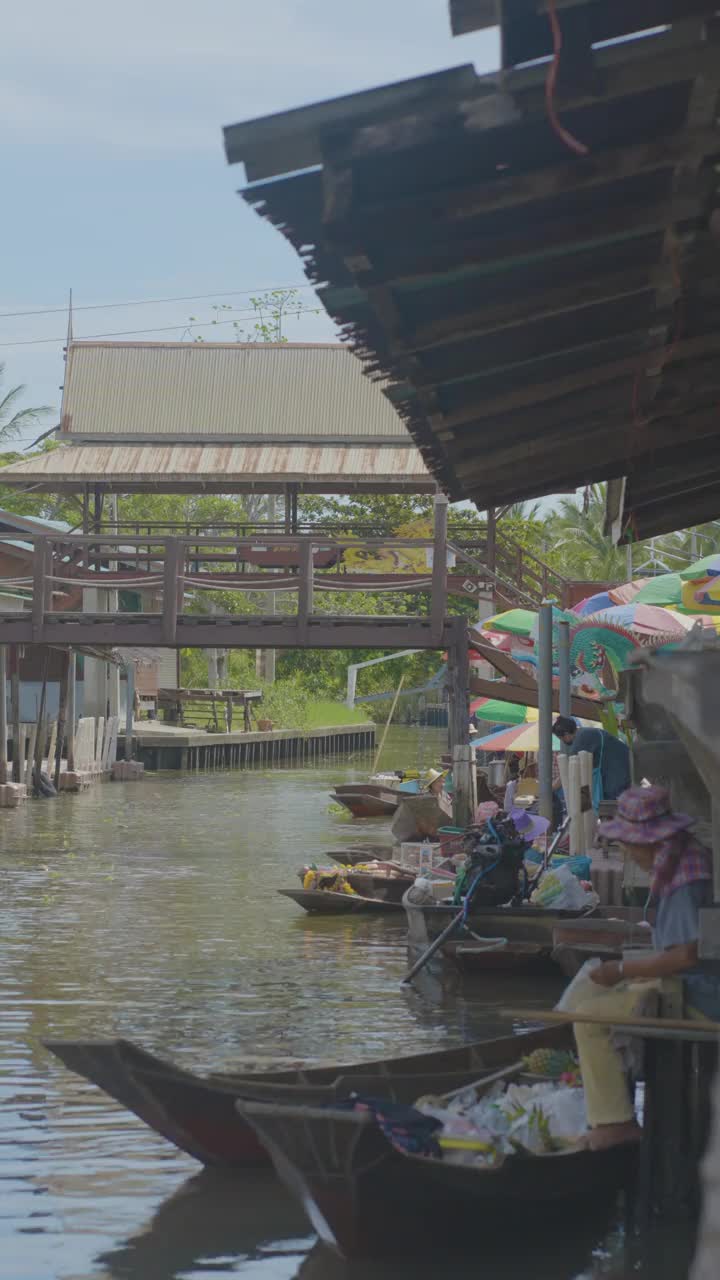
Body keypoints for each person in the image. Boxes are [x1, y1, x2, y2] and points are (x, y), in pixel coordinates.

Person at [566, 785, 718, 1150]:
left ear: (651, 842)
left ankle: (613, 1122)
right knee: (590, 998)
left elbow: (686, 956)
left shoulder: (687, 878)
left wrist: (620, 971)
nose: (628, 852)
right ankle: (612, 1102)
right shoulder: (688, 857)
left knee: (588, 1017)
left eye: (629, 844)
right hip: (691, 983)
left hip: (702, 995)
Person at [552, 715, 630, 802]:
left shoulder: (581, 738)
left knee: (611, 805)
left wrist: (550, 789)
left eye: (561, 738)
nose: (562, 741)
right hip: (623, 770)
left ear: (566, 734)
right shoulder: (586, 732)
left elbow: (568, 770)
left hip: (618, 775)